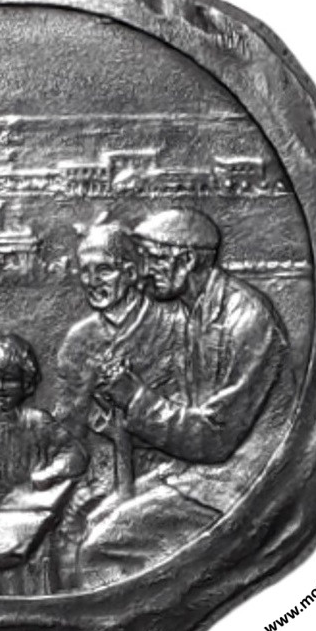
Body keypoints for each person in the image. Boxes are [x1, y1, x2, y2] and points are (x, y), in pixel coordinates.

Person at [80, 207, 295, 583]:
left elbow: (214, 439)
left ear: (187, 261)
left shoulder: (246, 320)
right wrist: (119, 403)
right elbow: (180, 415)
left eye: (152, 260)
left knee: (101, 546)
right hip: (197, 472)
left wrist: (136, 397)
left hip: (243, 480)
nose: (142, 273)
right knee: (94, 519)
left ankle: (145, 615)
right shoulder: (190, 313)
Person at [53, 221, 185, 584]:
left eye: (104, 270)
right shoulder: (78, 341)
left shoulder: (174, 326)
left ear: (130, 272)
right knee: (70, 535)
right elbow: (67, 424)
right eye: (85, 271)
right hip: (100, 471)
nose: (92, 281)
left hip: (167, 471)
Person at [0, 333, 88, 594]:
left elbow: (75, 454)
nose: (0, 387)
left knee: (28, 579)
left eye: (10, 379)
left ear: (26, 382)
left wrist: (49, 473)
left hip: (28, 518)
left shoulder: (37, 421)